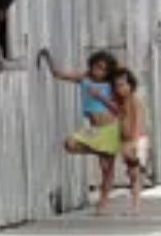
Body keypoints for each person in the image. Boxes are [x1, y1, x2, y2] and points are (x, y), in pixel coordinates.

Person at [41, 48, 122, 213]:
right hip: (95, 129)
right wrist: (48, 60)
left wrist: (100, 96)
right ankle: (96, 151)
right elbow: (59, 74)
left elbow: (117, 109)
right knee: (69, 144)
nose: (99, 71)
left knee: (107, 168)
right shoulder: (84, 79)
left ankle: (103, 202)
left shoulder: (110, 85)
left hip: (110, 128)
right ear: (91, 66)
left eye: (104, 69)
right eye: (97, 67)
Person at [112, 69, 149, 213]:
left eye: (122, 85)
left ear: (130, 85)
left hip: (137, 139)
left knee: (135, 173)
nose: (120, 89)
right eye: (117, 86)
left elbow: (138, 121)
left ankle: (136, 205)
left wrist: (134, 141)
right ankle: (135, 203)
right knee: (131, 173)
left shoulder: (134, 100)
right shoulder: (120, 103)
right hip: (125, 140)